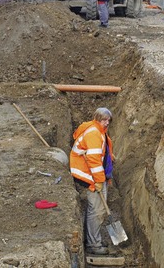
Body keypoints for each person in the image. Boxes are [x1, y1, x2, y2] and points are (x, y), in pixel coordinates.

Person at [69, 107, 115, 256]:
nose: (107, 123)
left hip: (94, 174)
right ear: (97, 118)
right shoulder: (94, 133)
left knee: (98, 209)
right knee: (96, 210)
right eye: (104, 120)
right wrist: (99, 181)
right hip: (89, 175)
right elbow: (94, 161)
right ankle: (93, 245)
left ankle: (94, 238)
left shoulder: (99, 131)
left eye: (108, 120)